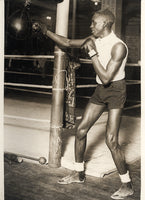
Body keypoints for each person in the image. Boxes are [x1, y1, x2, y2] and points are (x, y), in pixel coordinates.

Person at [33, 9, 134, 199]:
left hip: (116, 90)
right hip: (100, 90)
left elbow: (105, 78)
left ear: (105, 24)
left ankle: (127, 184)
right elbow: (68, 42)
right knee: (80, 131)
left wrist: (92, 53)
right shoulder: (93, 39)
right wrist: (46, 31)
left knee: (111, 140)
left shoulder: (118, 46)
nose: (91, 26)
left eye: (94, 23)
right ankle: (78, 174)